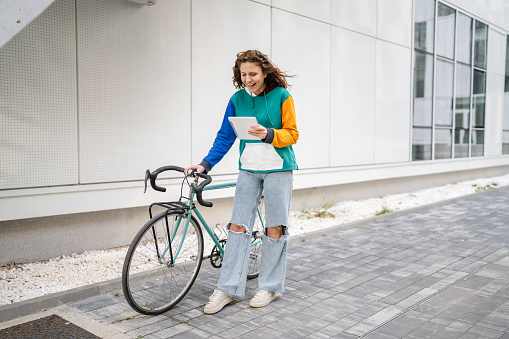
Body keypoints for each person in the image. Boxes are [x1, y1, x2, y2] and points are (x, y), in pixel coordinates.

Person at [185, 49, 299, 314]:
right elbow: (225, 136)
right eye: (243, 74)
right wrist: (205, 163)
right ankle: (228, 288)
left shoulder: (282, 97)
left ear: (264, 72)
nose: (248, 79)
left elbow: (292, 134)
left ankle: (268, 286)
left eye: (253, 74)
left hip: (279, 169)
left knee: (274, 228)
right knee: (237, 227)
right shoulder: (237, 99)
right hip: (248, 169)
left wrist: (269, 133)